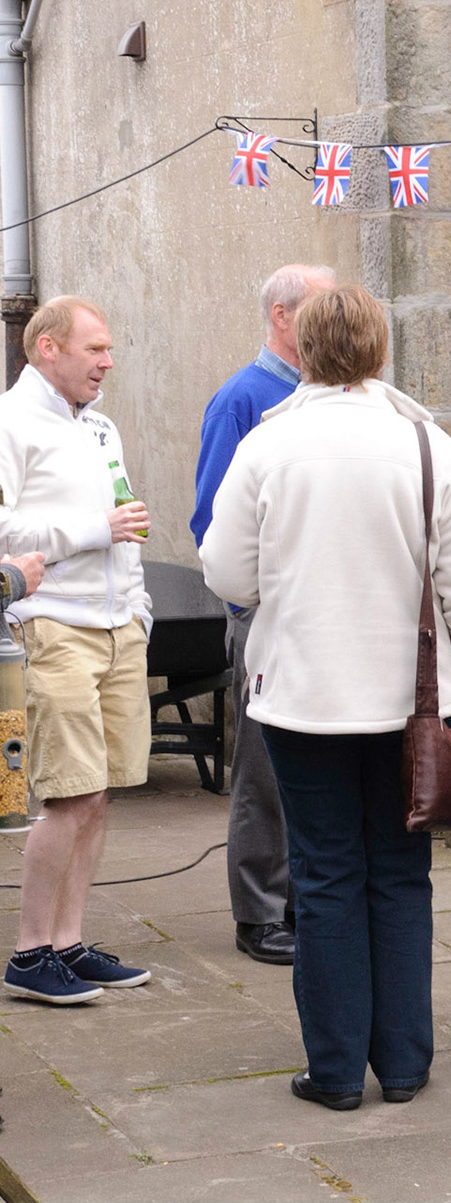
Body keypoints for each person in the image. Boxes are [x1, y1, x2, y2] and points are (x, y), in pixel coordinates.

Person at [202, 285, 451, 1110]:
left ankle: (335, 1074)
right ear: (379, 350)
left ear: (301, 345)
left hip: (300, 697)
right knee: (402, 875)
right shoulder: (423, 444)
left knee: (325, 875)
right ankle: (404, 1065)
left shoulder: (270, 445)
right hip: (409, 699)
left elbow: (226, 573)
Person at [0, 297, 154, 1006]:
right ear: (47, 349)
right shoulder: (9, 422)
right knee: (70, 794)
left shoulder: (100, 426)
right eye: (94, 349)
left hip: (118, 625)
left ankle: (69, 942)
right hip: (55, 624)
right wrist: (95, 529)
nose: (108, 362)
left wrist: (140, 612)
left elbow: (129, 523)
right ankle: (30, 955)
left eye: (110, 347)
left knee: (100, 796)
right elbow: (5, 534)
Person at [191, 263, 337, 967]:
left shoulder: (324, 400)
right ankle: (259, 912)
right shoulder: (241, 401)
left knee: (309, 767)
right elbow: (212, 521)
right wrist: (252, 607)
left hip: (321, 616)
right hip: (265, 617)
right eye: (320, 305)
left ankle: (304, 900)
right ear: (283, 317)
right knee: (263, 771)